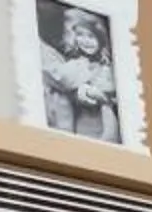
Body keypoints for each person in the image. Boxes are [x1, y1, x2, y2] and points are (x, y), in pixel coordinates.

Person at [40, 8, 122, 143]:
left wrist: (104, 96)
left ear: (100, 39)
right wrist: (81, 91)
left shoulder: (109, 67)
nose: (85, 41)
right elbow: (62, 79)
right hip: (86, 126)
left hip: (110, 123)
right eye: (80, 35)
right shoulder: (76, 64)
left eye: (91, 36)